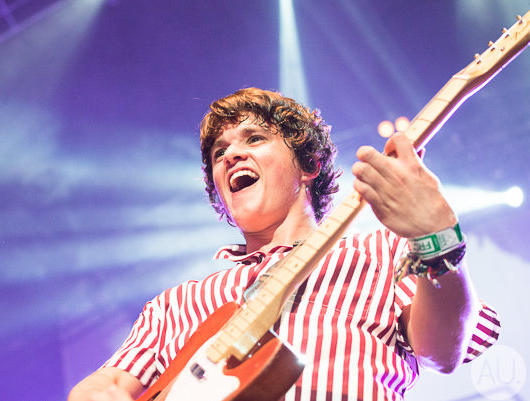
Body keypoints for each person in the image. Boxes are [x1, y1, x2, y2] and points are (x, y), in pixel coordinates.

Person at [68, 88, 500, 401]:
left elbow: (442, 352)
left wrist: (438, 241)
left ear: (309, 165)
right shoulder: (175, 305)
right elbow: (107, 384)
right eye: (219, 153)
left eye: (254, 138)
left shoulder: (380, 253)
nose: (231, 155)